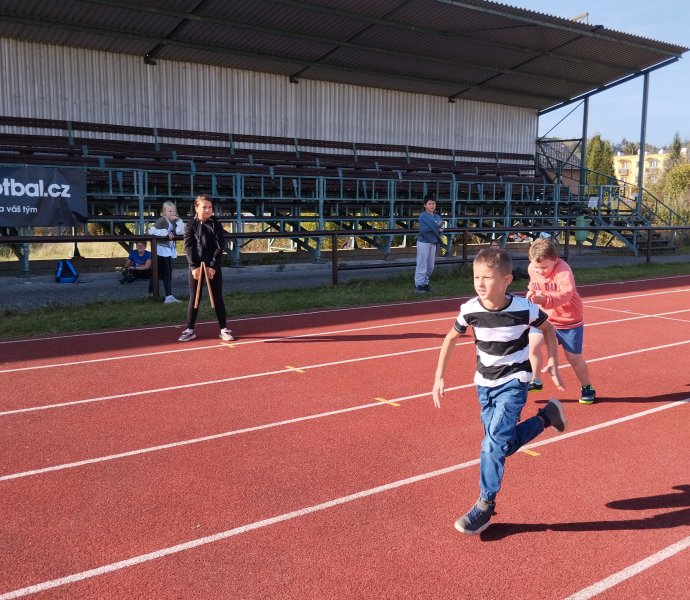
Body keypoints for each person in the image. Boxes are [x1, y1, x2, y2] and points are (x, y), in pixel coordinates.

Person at [432, 247, 566, 535]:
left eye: (487, 278)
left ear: (506, 281)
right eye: (476, 277)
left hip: (515, 381)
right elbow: (451, 338)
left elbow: (548, 329)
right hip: (484, 384)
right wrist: (439, 377)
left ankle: (485, 504)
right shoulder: (470, 310)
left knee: (492, 444)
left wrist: (553, 360)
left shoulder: (524, 309)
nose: (480, 283)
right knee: (500, 444)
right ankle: (546, 417)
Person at [526, 237, 596, 404]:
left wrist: (545, 300)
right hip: (546, 319)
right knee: (532, 344)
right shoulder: (532, 269)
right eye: (536, 267)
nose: (540, 271)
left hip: (569, 320)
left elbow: (566, 294)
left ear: (555, 260)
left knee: (574, 358)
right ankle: (536, 379)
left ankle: (587, 387)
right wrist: (530, 294)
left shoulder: (563, 270)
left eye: (544, 267)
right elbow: (533, 285)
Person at [178, 194, 234, 342]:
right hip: (196, 267)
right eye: (204, 207)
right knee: (194, 298)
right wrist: (193, 266)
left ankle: (223, 329)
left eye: (210, 207)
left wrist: (213, 266)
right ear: (196, 208)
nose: (208, 210)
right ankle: (190, 329)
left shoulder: (216, 223)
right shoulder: (191, 224)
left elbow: (219, 246)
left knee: (217, 297)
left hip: (212, 267)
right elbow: (188, 247)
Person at [148, 201, 185, 304]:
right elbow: (151, 231)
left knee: (158, 272)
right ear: (164, 212)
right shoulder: (161, 220)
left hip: (168, 250)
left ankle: (150, 293)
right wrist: (166, 233)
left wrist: (178, 220)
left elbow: (180, 231)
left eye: (173, 211)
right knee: (167, 272)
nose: (172, 213)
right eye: (169, 211)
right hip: (161, 249)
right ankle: (169, 296)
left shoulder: (173, 221)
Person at [414, 194, 444, 293]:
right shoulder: (423, 216)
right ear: (425, 205)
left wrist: (438, 228)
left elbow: (441, 228)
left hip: (433, 242)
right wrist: (437, 227)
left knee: (430, 265)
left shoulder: (437, 216)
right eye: (429, 204)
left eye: (433, 204)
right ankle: (418, 285)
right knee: (422, 264)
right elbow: (431, 228)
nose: (432, 206)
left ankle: (425, 283)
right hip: (424, 242)